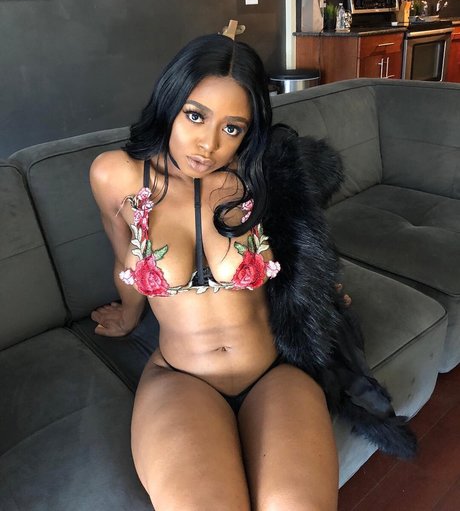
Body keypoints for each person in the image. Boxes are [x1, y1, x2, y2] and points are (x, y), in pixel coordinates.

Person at [90, 26, 415, 511]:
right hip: (181, 378)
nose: (208, 145)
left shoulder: (258, 174)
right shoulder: (115, 175)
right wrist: (129, 314)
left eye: (232, 128)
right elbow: (125, 257)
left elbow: (301, 250)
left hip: (274, 371)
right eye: (195, 115)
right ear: (169, 102)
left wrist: (320, 294)